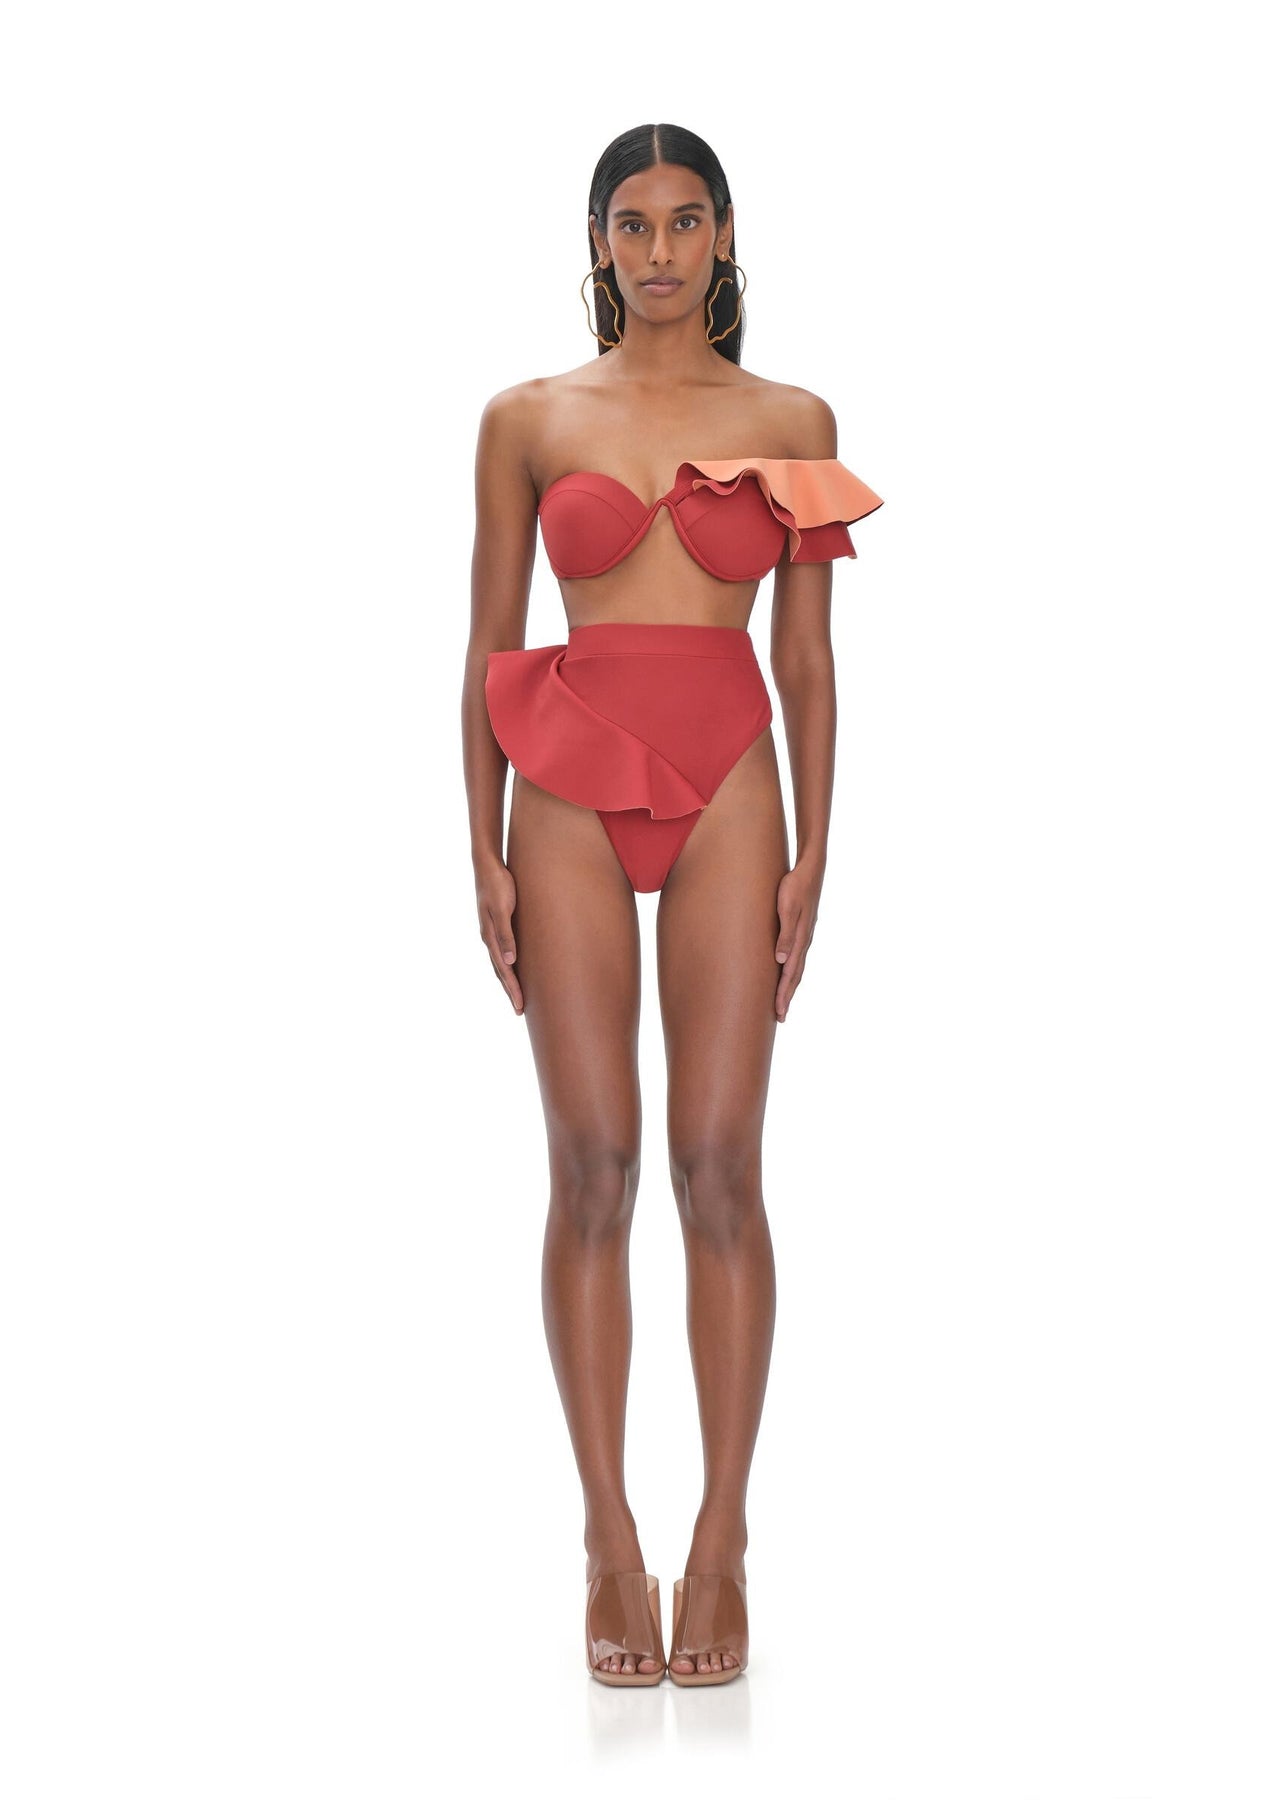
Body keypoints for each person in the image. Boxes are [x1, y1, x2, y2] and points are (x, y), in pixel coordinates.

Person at [462, 122, 883, 1688]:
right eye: (631, 224)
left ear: (723, 237)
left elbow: (807, 659)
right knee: (593, 1163)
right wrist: (480, 847)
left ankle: (720, 1543)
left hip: (732, 791)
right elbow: (486, 639)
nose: (657, 250)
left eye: (684, 221)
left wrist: (816, 850)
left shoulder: (789, 419)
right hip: (565, 785)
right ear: (596, 244)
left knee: (717, 1165)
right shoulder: (526, 417)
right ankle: (603, 1536)